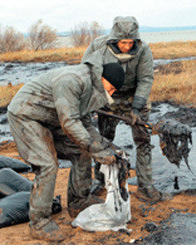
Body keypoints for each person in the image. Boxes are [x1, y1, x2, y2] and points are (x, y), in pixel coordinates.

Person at [7, 51, 125, 242]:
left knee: (82, 151)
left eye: (113, 92)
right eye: (110, 88)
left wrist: (103, 145)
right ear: (101, 77)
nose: (110, 94)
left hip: (51, 119)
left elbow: (85, 124)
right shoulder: (73, 80)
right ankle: (39, 222)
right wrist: (94, 147)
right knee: (47, 164)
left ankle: (78, 201)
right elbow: (70, 123)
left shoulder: (92, 88)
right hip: (26, 116)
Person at [81, 16, 172, 202]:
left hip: (134, 97)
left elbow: (146, 79)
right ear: (115, 40)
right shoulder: (98, 47)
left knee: (143, 141)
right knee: (103, 140)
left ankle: (145, 186)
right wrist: (92, 101)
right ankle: (101, 181)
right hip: (107, 97)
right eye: (123, 42)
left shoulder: (144, 50)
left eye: (131, 42)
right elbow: (86, 73)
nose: (127, 46)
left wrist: (137, 108)